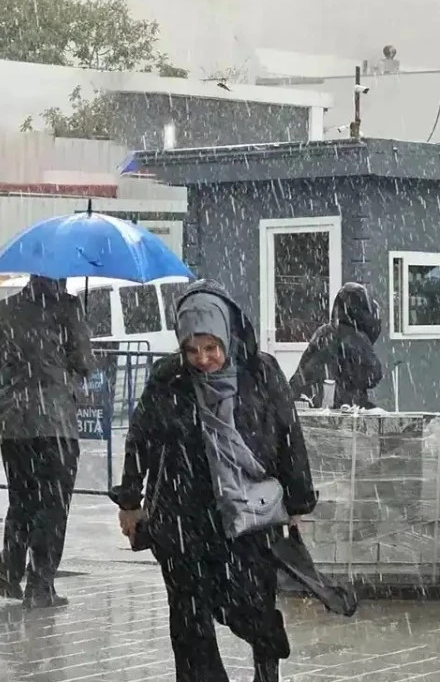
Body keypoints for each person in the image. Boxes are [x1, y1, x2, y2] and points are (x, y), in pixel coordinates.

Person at [112, 280, 317, 682]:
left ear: (227, 333)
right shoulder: (168, 379)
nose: (203, 359)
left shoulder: (260, 373)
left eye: (211, 348)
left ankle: (266, 658)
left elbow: (289, 437)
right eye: (192, 350)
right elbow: (141, 438)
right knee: (189, 619)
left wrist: (297, 503)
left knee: (250, 605)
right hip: (181, 514)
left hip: (247, 514)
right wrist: (130, 502)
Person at [0, 275, 93, 608]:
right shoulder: (68, 308)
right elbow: (83, 363)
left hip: (13, 422)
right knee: (53, 505)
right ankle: (40, 584)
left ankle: (10, 568)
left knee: (22, 499)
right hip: (55, 422)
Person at [290, 282, 383, 409]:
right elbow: (373, 375)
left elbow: (305, 370)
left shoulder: (323, 332)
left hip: (312, 400)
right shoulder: (355, 337)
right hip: (344, 405)